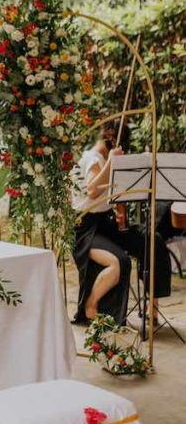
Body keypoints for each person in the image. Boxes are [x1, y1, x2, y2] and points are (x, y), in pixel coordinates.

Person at [72, 126, 172, 325]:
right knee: (120, 261)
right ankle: (90, 306)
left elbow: (117, 194)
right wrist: (111, 161)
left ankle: (151, 305)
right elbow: (92, 190)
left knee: (153, 239)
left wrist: (122, 214)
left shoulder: (106, 158)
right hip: (86, 227)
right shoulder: (92, 158)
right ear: (109, 137)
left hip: (106, 223)